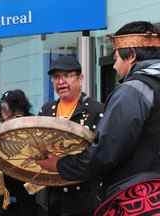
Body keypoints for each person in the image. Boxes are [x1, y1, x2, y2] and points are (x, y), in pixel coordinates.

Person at [37, 21, 160, 215]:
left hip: (138, 199)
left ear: (132, 56)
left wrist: (61, 165)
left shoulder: (132, 91)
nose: (114, 63)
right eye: (56, 77)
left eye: (116, 55)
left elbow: (105, 152)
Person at [36, 55, 104, 216]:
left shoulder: (96, 110)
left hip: (85, 196)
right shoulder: (46, 110)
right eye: (56, 77)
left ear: (80, 78)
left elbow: (100, 155)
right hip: (52, 196)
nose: (61, 82)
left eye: (66, 75)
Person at [0, 89, 38, 216]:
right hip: (6, 191)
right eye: (3, 116)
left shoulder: (34, 126)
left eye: (11, 114)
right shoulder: (1, 131)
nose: (7, 119)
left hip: (29, 188)